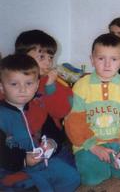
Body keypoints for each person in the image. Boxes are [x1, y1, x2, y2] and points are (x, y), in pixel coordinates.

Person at [64, 33, 120, 186]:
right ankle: (98, 164)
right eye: (101, 58)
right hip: (88, 144)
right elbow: (73, 122)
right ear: (92, 60)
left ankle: (110, 163)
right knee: (93, 179)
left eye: (114, 59)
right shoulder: (81, 87)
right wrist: (94, 147)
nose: (107, 65)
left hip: (117, 142)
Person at [0, 54, 80, 192]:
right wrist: (24, 159)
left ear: (37, 85)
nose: (22, 89)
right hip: (13, 168)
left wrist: (51, 143)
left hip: (43, 163)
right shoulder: (2, 115)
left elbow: (53, 131)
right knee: (33, 186)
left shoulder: (38, 106)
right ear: (1, 87)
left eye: (29, 83)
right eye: (14, 84)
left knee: (72, 177)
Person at [14, 29, 73, 165]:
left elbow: (62, 111)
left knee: (53, 128)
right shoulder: (12, 78)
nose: (48, 63)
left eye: (50, 57)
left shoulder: (52, 82)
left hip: (47, 129)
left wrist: (50, 87)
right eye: (41, 57)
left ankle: (50, 148)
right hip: (21, 126)